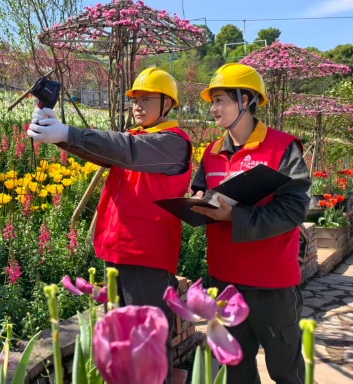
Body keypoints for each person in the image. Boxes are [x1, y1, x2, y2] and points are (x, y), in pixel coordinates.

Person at [27, 67, 192, 382]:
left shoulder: (172, 144)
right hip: (118, 253)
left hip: (147, 258)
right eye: (135, 99)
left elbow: (124, 150)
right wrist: (59, 134)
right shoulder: (138, 137)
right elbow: (105, 150)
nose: (138, 106)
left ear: (168, 104)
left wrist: (67, 133)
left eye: (147, 99)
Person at [190, 63, 310, 384]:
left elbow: (293, 209)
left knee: (285, 371)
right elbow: (200, 189)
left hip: (271, 284)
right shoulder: (211, 153)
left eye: (220, 100)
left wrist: (235, 216)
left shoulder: (283, 148)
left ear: (245, 100)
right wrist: (197, 200)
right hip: (224, 280)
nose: (213, 108)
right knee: (236, 372)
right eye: (212, 101)